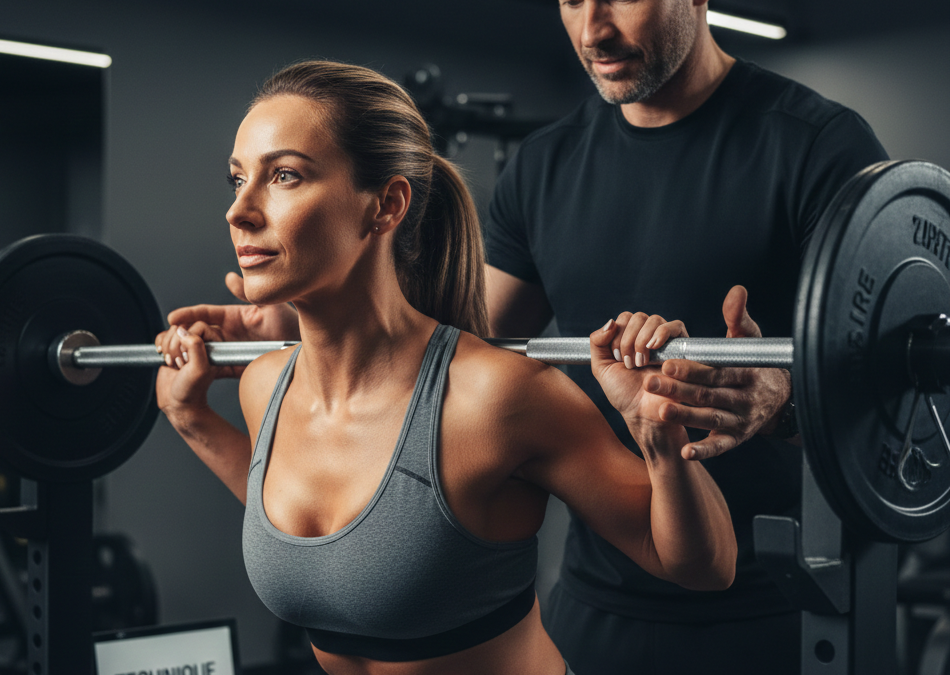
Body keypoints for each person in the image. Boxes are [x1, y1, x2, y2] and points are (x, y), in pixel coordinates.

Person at [167, 3, 891, 674]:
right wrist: (302, 317)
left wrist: (787, 400)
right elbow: (444, 345)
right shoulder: (548, 164)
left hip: (778, 601)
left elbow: (892, 384)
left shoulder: (816, 145)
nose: (593, 29)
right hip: (597, 594)